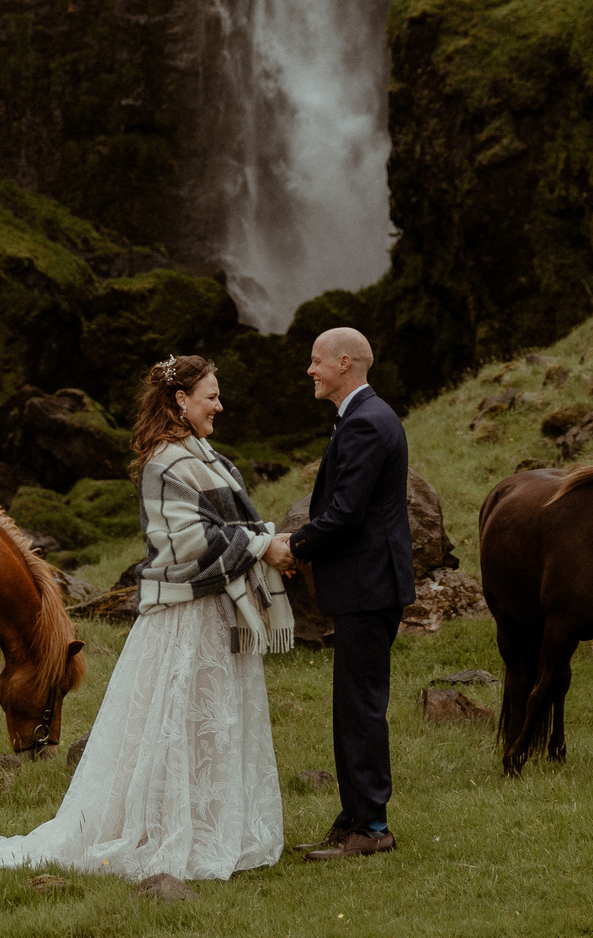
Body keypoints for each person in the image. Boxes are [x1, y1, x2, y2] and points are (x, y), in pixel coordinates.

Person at [0, 354, 295, 882]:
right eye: (211, 396)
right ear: (181, 400)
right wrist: (265, 544)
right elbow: (187, 542)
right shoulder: (164, 464)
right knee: (173, 725)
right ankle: (159, 829)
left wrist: (261, 540)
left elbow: (228, 523)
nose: (220, 405)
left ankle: (211, 825)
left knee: (209, 724)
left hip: (216, 613)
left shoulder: (205, 456)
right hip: (183, 617)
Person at [264, 326, 413, 860]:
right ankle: (353, 818)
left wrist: (291, 545)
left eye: (316, 362)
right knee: (351, 705)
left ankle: (373, 829)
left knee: (363, 707)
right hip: (364, 585)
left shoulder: (367, 423)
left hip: (368, 586)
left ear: (343, 363)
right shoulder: (363, 417)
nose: (310, 370)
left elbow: (346, 515)